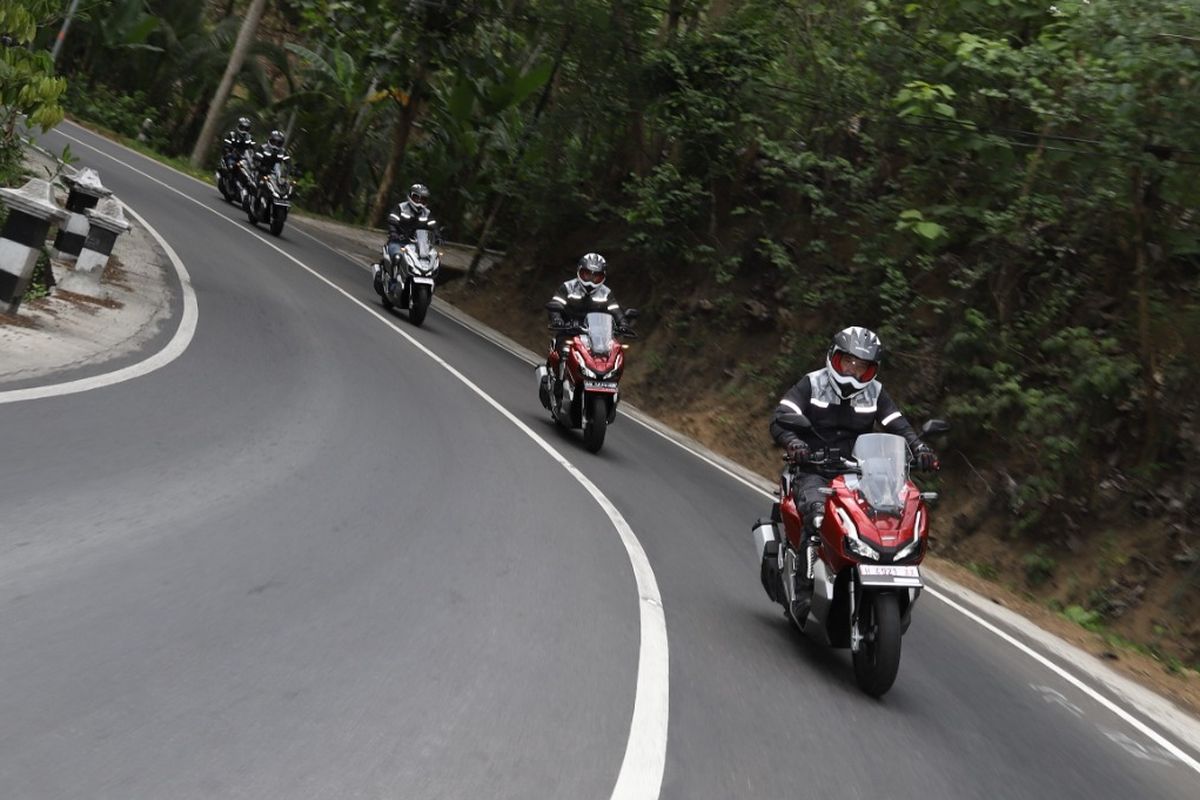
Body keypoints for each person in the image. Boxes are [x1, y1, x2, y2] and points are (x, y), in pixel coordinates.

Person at [770, 326, 939, 540]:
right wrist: (793, 442)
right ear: (834, 356)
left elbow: (898, 425)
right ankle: (806, 570)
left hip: (860, 476)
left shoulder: (875, 392)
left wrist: (919, 447)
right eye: (848, 361)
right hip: (814, 469)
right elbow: (781, 416)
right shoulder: (812, 383)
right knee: (817, 515)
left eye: (861, 366)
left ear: (872, 370)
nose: (853, 370)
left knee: (886, 519)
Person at [540, 253, 628, 400]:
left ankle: (611, 390)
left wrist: (623, 323)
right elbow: (556, 304)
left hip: (597, 335)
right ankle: (558, 385)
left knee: (613, 354)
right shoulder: (567, 287)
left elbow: (615, 311)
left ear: (603, 276)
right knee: (564, 351)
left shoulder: (606, 293)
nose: (591, 281)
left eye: (596, 276)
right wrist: (557, 319)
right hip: (568, 330)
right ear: (579, 271)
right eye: (587, 274)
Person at [377, 184, 434, 282]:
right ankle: (393, 281)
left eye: (423, 199)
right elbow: (392, 220)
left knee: (432, 259)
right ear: (410, 196)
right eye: (416, 197)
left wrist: (438, 236)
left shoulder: (427, 213)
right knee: (397, 257)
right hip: (398, 242)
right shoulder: (401, 208)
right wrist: (394, 232)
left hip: (418, 246)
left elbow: (433, 226)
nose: (419, 201)